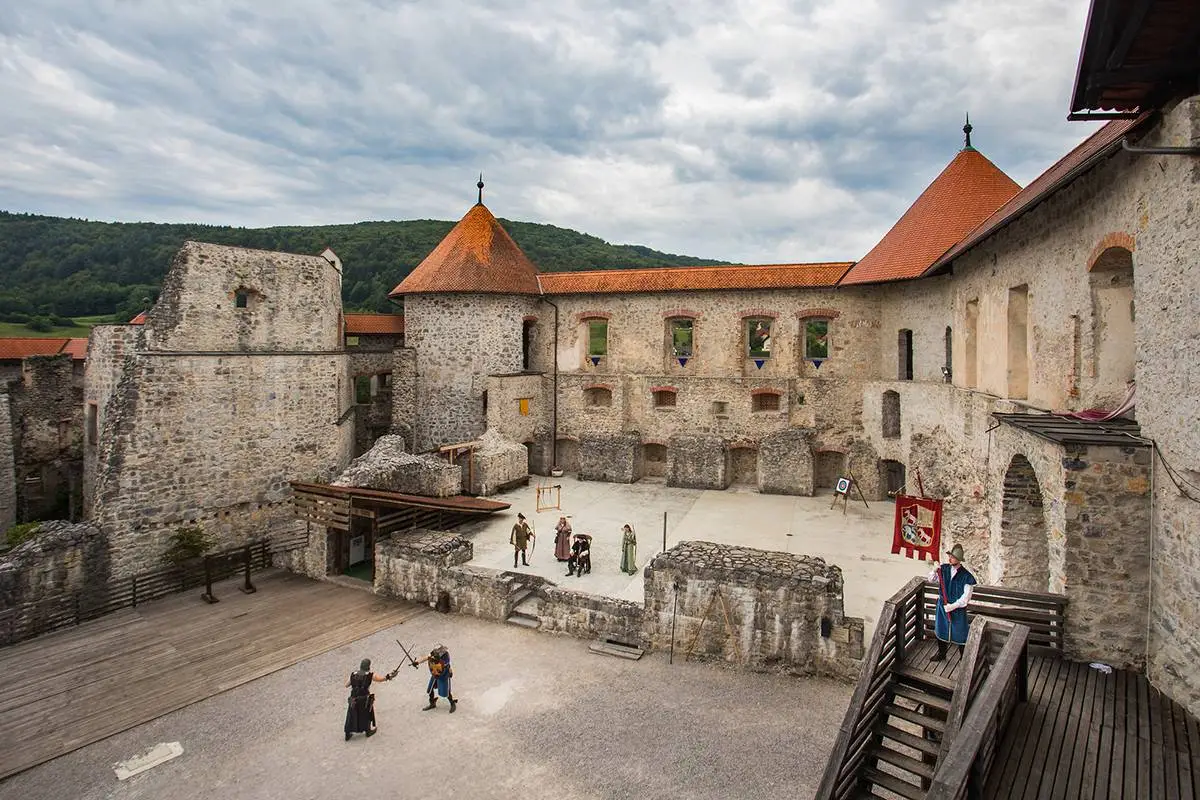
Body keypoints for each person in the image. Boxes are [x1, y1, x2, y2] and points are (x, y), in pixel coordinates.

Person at [928, 544, 977, 661]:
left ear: (958, 559)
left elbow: (966, 598)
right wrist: (934, 570)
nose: (950, 558)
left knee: (961, 632)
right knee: (941, 629)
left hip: (957, 609)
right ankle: (942, 654)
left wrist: (953, 606)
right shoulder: (943, 569)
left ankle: (963, 658)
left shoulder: (966, 576)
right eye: (950, 556)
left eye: (952, 557)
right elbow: (931, 580)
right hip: (942, 606)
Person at [344, 657, 391, 740]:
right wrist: (388, 676)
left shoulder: (353, 674)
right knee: (367, 714)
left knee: (351, 715)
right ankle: (368, 731)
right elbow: (380, 679)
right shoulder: (370, 675)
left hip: (353, 698)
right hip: (364, 699)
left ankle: (347, 733)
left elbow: (346, 685)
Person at [414, 645, 457, 713]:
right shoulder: (433, 654)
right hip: (435, 674)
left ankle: (452, 703)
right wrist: (417, 662)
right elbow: (426, 658)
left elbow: (445, 665)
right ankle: (432, 703)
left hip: (443, 676)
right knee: (430, 690)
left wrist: (435, 660)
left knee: (446, 691)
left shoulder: (445, 656)